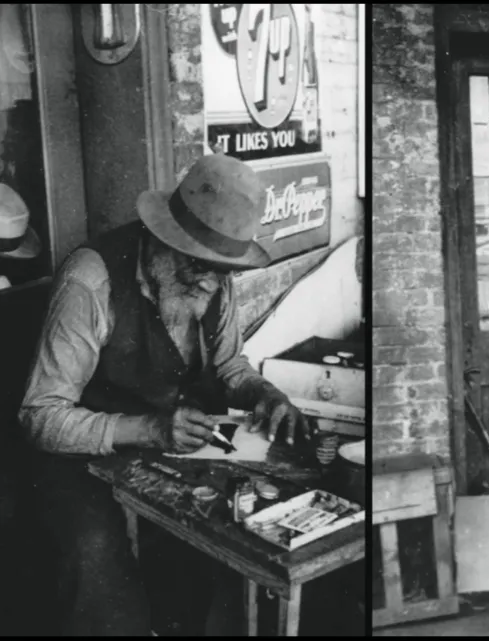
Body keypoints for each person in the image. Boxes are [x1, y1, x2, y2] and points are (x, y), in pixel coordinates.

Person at [19, 153, 311, 635]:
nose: (209, 282)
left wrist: (265, 392)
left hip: (172, 448)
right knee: (96, 561)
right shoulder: (90, 281)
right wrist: (150, 429)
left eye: (224, 270)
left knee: (213, 541)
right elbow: (39, 417)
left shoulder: (214, 281)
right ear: (161, 238)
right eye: (198, 263)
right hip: (82, 453)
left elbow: (230, 364)